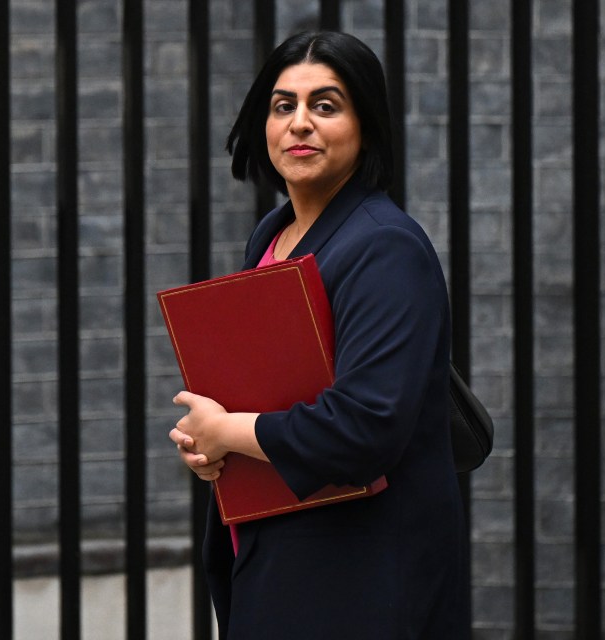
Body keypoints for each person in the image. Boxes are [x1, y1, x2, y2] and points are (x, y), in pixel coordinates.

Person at [169, 31, 467, 639]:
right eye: (284, 106)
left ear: (366, 125)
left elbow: (365, 427)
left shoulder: (386, 247)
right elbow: (268, 396)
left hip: (360, 580)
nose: (300, 123)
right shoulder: (272, 237)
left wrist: (229, 429)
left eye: (325, 106)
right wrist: (212, 448)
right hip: (276, 560)